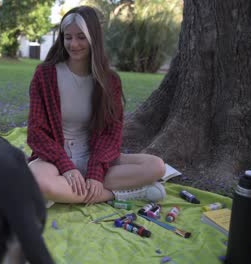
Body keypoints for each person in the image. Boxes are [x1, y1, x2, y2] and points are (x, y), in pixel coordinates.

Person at [27, 6, 166, 206]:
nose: (73, 44)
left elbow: (112, 133)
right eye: (68, 37)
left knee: (156, 166)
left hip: (97, 158)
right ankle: (121, 194)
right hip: (55, 160)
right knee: (37, 180)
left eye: (81, 37)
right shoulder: (45, 75)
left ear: (93, 38)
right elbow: (36, 132)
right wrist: (66, 166)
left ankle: (69, 191)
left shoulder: (110, 81)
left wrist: (95, 171)